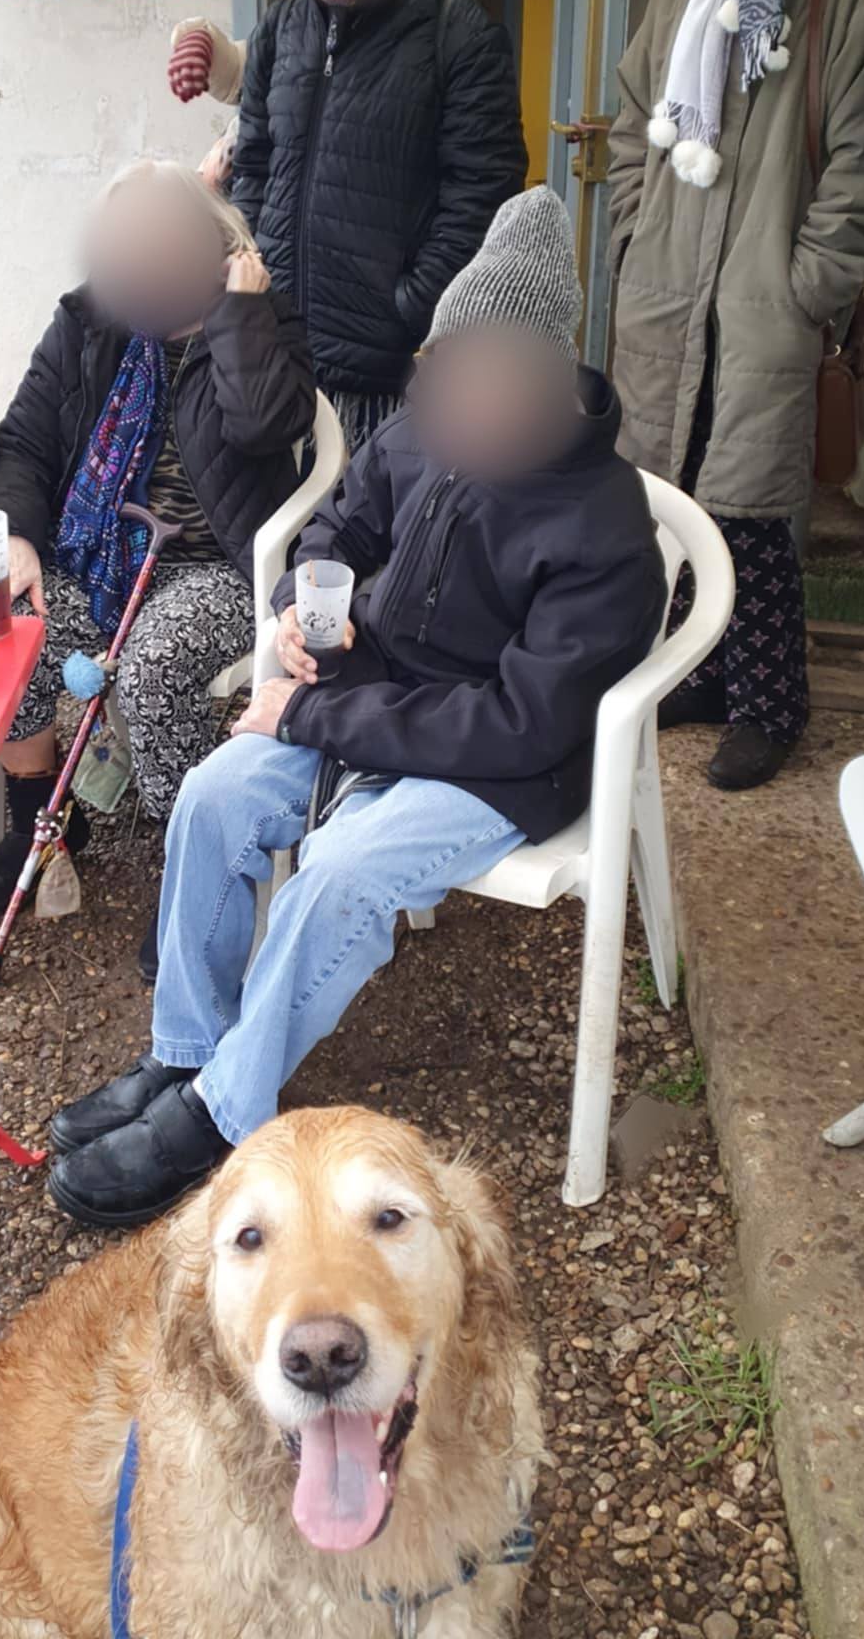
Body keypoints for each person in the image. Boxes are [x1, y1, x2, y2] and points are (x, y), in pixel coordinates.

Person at [42, 187, 667, 1228]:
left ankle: (221, 1112)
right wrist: (301, 603)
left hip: (499, 768)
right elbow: (337, 524)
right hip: (372, 699)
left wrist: (307, 715)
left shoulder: (604, 529)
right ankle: (185, 1049)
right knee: (213, 795)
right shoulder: (423, 431)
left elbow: (520, 724)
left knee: (337, 875)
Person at [603, 0, 864, 791]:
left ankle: (769, 706)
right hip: (666, 295)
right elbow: (632, 125)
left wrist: (808, 288)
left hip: (763, 302)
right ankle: (698, 674)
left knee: (752, 513)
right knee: (668, 500)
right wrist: (634, 233)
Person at [0, 159, 314, 917]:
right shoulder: (86, 323)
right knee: (7, 627)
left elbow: (266, 424)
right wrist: (17, 536)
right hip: (101, 554)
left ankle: (196, 866)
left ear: (212, 243)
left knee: (153, 669)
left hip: (217, 563)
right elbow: (23, 442)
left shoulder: (260, 317)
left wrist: (239, 314)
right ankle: (39, 821)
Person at [231, 0, 528, 452]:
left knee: (372, 520)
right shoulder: (280, 28)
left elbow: (482, 198)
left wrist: (408, 309)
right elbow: (251, 163)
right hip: (277, 361)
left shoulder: (460, 35)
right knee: (279, 518)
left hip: (388, 383)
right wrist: (252, 271)